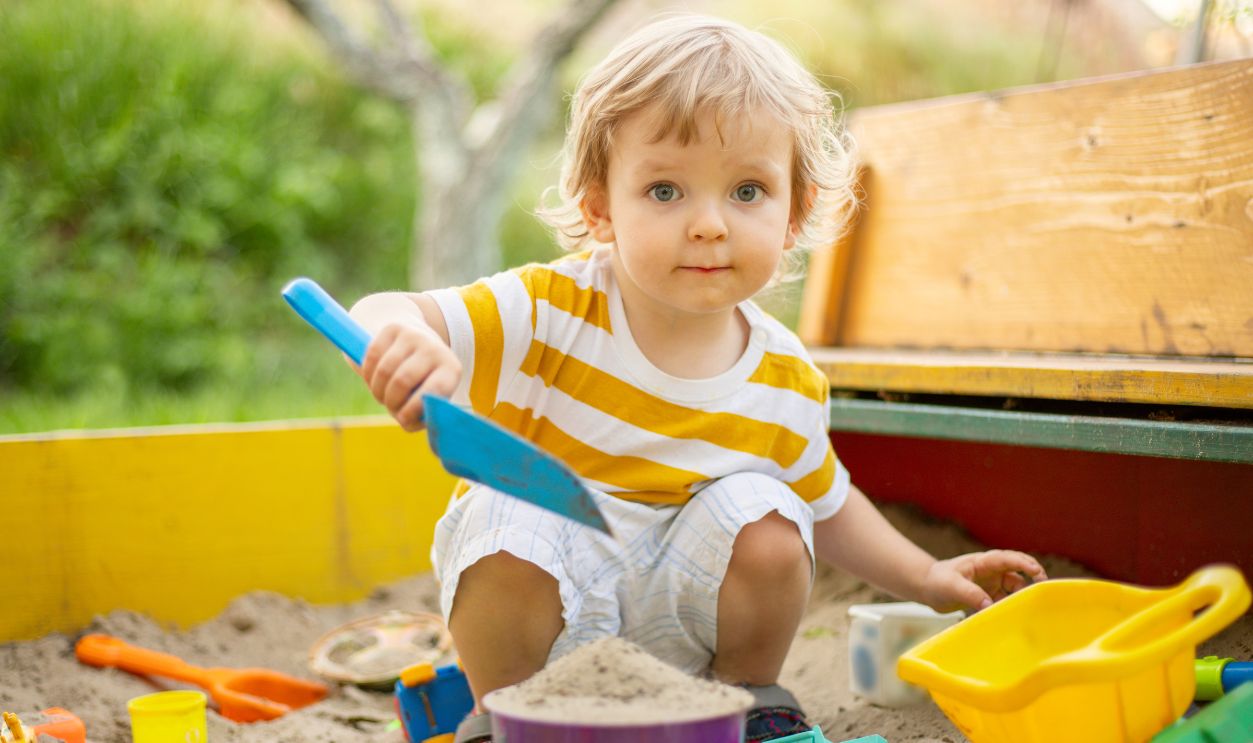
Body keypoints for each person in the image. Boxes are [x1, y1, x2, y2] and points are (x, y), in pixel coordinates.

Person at [347, 14, 1047, 742]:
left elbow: (828, 503)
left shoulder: (783, 377)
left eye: (746, 191)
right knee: (503, 514)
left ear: (793, 213)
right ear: (599, 208)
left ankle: (747, 702)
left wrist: (927, 579)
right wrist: (394, 335)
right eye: (664, 191)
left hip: (687, 641)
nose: (709, 224)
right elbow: (390, 310)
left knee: (770, 511)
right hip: (547, 628)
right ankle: (504, 718)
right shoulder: (547, 309)